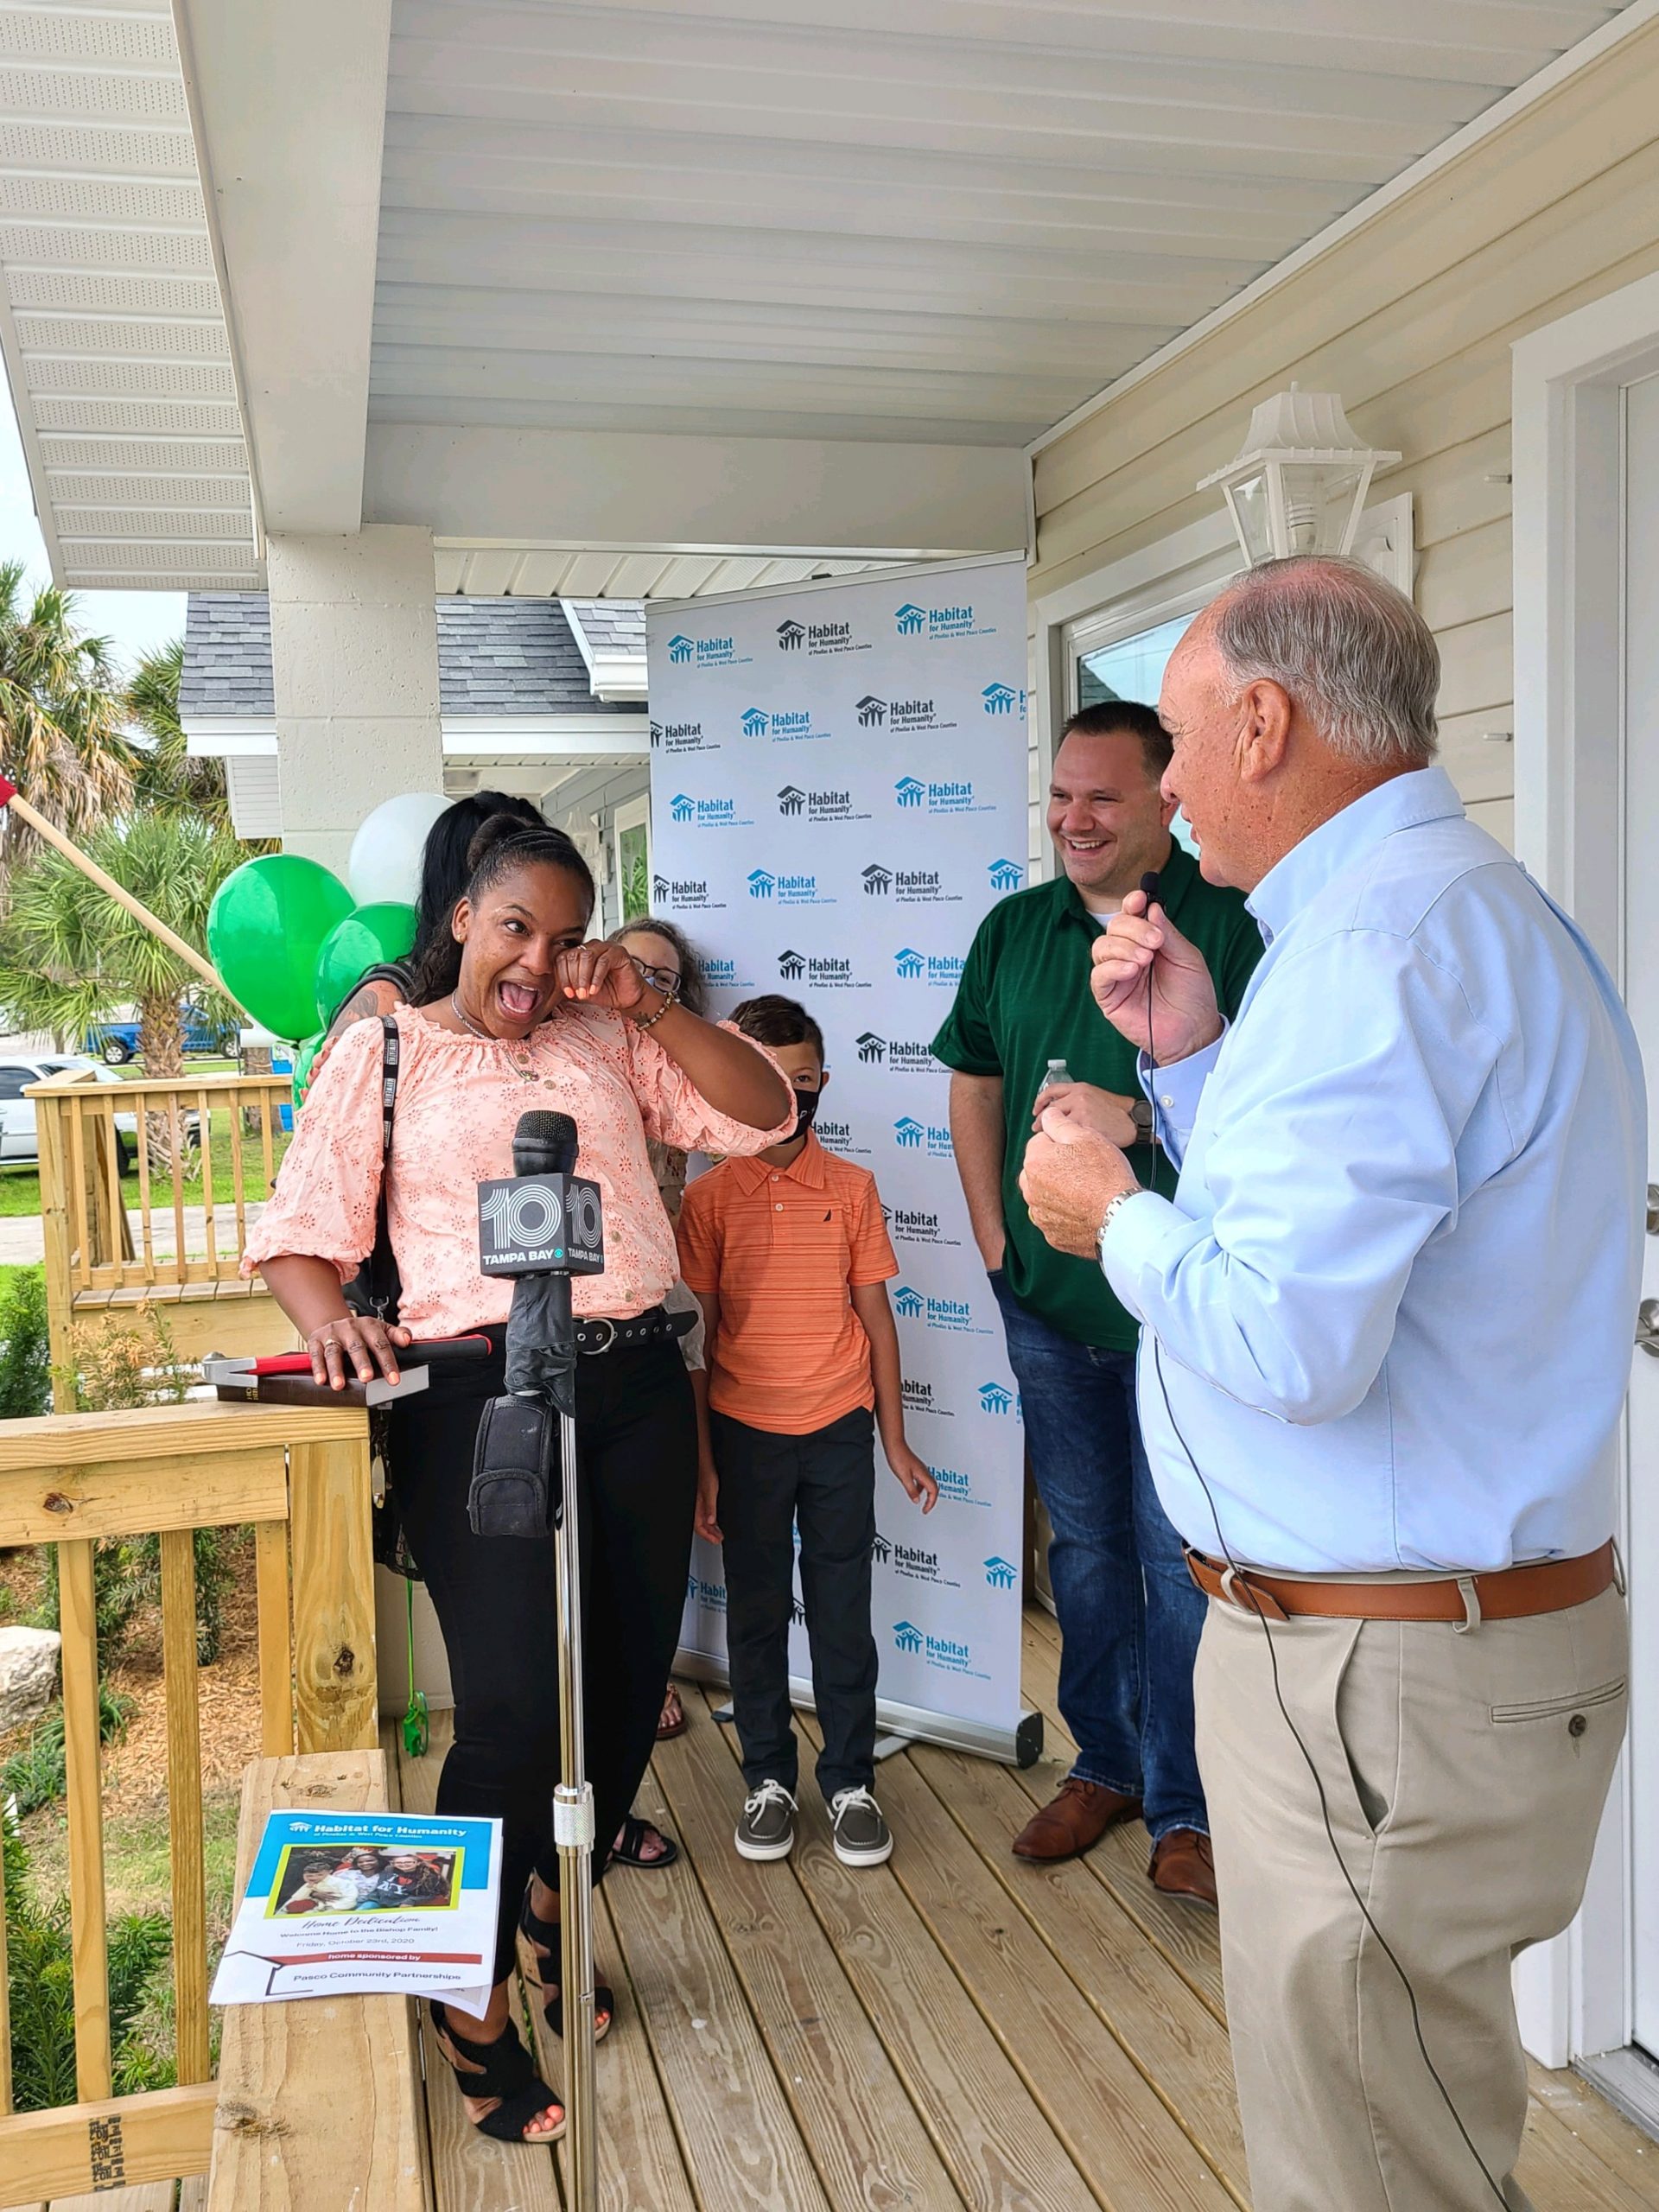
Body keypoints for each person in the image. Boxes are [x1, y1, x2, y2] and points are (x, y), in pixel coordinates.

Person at [1019, 555, 1643, 2212]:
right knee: (1410, 2130)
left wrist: (1112, 1212)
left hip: (1380, 1680)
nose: (1161, 784)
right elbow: (1376, 1242)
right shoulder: (1463, 918)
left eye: (1176, 739)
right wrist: (1200, 1056)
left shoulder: (1377, 952)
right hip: (1432, 1654)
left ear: (1268, 722)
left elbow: (1294, 1341)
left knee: (1368, 2176)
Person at [247, 815, 794, 2149]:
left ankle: (553, 1914)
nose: (537, 964)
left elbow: (765, 1115)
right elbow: (298, 1237)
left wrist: (647, 999)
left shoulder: (610, 1033)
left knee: (619, 1699)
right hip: (476, 1397)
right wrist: (331, 1323)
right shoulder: (386, 1046)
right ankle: (468, 1999)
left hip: (634, 1389)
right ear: (460, 922)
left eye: (562, 938)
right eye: (514, 931)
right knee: (509, 1715)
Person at [931, 700, 1262, 1901]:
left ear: (1167, 798)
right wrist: (986, 1225)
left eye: (1102, 798)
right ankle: (1105, 1763)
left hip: (1182, 1312)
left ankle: (1190, 1805)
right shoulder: (1013, 930)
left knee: (1181, 1566)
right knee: (1084, 1550)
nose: (1074, 818)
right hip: (1051, 1303)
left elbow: (1273, 1119)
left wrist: (1149, 1117)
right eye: (1061, 795)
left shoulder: (1233, 924)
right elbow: (974, 1080)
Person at [676, 995, 938, 1867]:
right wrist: (706, 1466)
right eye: (770, 1080)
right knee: (754, 1615)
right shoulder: (708, 1198)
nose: (791, 1096)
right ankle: (768, 1781)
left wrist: (894, 1440)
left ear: (822, 1080)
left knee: (841, 1611)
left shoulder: (853, 1189)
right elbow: (701, 1346)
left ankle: (851, 1782)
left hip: (837, 1430)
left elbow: (880, 1321)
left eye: (803, 1080)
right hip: (745, 1434)